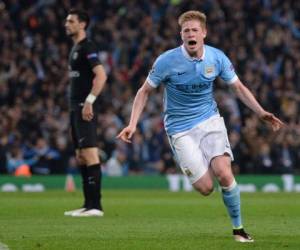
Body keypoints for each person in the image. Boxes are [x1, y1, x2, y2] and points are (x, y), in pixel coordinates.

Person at [117, 10, 284, 242]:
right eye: (186, 30)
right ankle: (200, 165)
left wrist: (261, 112)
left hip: (209, 121)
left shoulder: (216, 58)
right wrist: (132, 124)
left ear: (204, 33)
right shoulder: (166, 61)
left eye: (195, 30)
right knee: (206, 188)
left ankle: (239, 230)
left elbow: (239, 88)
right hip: (179, 129)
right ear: (181, 35)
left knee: (225, 174)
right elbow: (144, 91)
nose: (190, 34)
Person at [64, 9, 107, 217]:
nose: (67, 24)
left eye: (71, 21)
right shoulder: (75, 48)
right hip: (74, 107)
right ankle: (87, 204)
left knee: (90, 153)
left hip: (83, 106)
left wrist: (89, 101)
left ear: (82, 24)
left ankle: (96, 206)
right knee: (80, 155)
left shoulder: (87, 47)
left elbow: (101, 75)